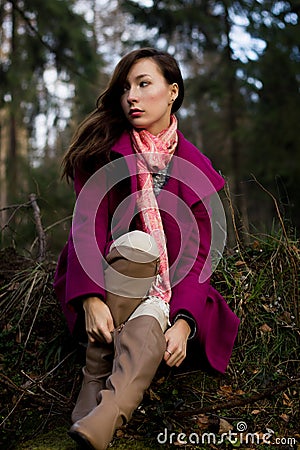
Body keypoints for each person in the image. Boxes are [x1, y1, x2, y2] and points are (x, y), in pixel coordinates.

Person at [54, 47, 240, 450]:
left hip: (162, 291)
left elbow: (199, 256)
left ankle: (104, 418)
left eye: (143, 84)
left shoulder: (197, 170)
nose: (131, 97)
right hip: (109, 276)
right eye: (125, 89)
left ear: (172, 92)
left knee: (151, 327)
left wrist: (185, 321)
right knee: (141, 244)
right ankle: (95, 365)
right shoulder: (103, 151)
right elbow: (86, 226)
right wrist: (89, 300)